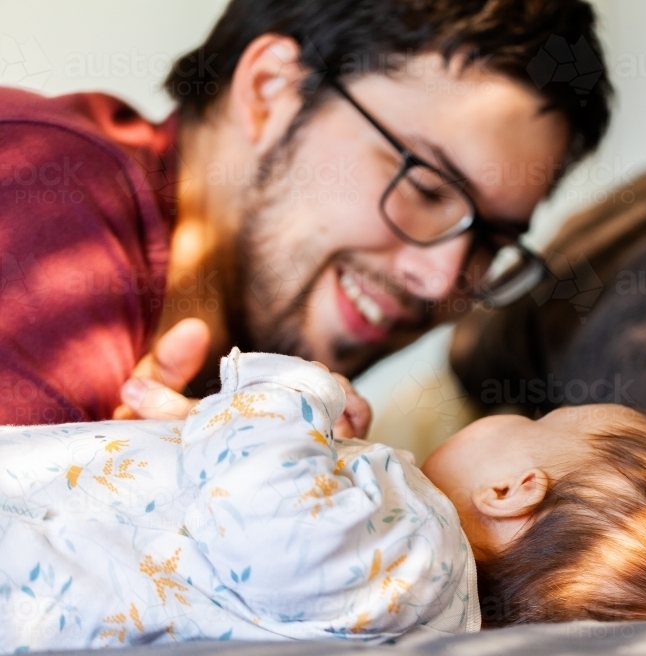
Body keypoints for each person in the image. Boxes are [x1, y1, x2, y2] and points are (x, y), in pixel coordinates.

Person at [0, 0, 612, 425]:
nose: (443, 279)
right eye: (425, 187)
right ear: (271, 91)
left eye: (491, 242)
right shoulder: (46, 195)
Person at [0, 350, 646, 651]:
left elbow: (261, 513)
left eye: (538, 421)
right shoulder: (407, 575)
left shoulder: (421, 551)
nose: (508, 415)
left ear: (511, 490)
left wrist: (295, 390)